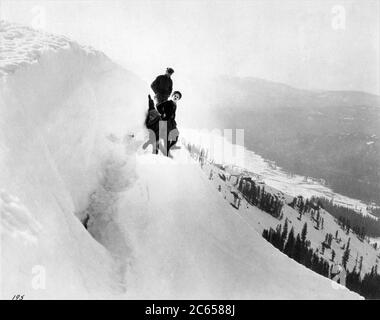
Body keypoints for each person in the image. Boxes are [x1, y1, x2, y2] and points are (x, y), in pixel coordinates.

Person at [156, 91, 182, 156]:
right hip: (165, 121)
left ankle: (167, 149)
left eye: (177, 97)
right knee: (167, 138)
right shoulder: (168, 102)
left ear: (178, 99)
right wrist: (163, 113)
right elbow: (158, 106)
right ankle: (166, 153)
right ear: (172, 96)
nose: (176, 97)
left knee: (176, 136)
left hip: (172, 122)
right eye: (175, 96)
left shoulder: (175, 105)